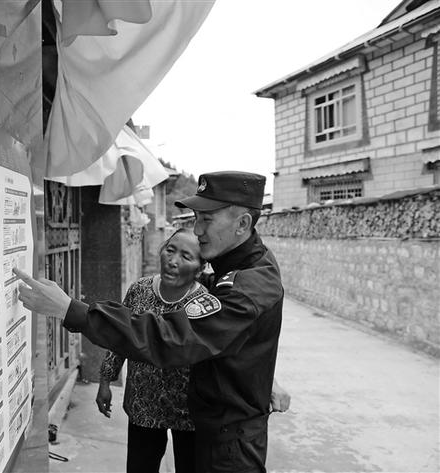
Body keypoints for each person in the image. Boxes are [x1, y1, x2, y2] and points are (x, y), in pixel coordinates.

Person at [15, 171, 285, 472]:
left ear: (243, 224)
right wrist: (261, 378)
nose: (198, 230)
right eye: (196, 218)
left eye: (207, 219)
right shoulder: (235, 268)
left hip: (227, 445)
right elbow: (240, 334)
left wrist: (70, 310)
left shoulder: (247, 287)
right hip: (195, 421)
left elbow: (171, 337)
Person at [97, 228, 205, 473]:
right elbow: (121, 337)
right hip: (143, 404)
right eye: (170, 250)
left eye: (186, 256)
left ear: (200, 268)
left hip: (187, 409)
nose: (173, 261)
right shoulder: (140, 289)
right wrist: (105, 380)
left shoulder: (203, 303)